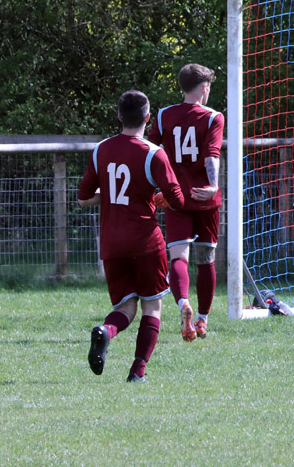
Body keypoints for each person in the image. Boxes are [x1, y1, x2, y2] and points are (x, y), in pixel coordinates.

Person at [78, 90, 185, 382]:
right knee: (152, 306)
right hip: (145, 242)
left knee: (125, 306)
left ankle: (106, 330)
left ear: (118, 116)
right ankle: (137, 372)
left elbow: (83, 198)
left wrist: (110, 196)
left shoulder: (101, 149)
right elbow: (178, 199)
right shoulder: (153, 153)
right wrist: (160, 198)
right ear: (148, 118)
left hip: (112, 243)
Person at [149, 63, 224, 341]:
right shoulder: (213, 117)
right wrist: (213, 186)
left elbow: (151, 152)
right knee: (206, 260)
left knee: (178, 256)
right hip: (205, 198)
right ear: (204, 88)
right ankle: (202, 320)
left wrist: (155, 187)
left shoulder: (163, 115)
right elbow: (211, 154)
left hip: (176, 197)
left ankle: (183, 303)